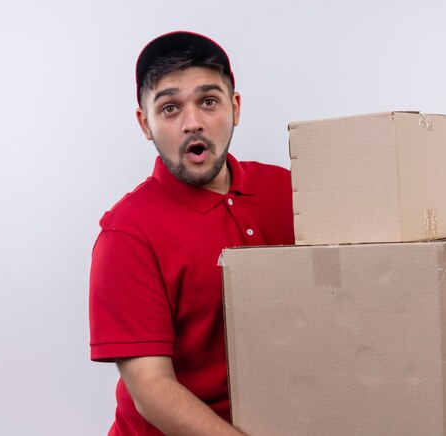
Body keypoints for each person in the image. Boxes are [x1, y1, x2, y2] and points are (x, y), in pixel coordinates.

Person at [89, 31, 294, 435]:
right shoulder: (126, 233)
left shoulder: (287, 191)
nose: (193, 123)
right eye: (169, 108)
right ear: (144, 123)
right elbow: (151, 387)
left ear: (235, 108)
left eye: (208, 101)